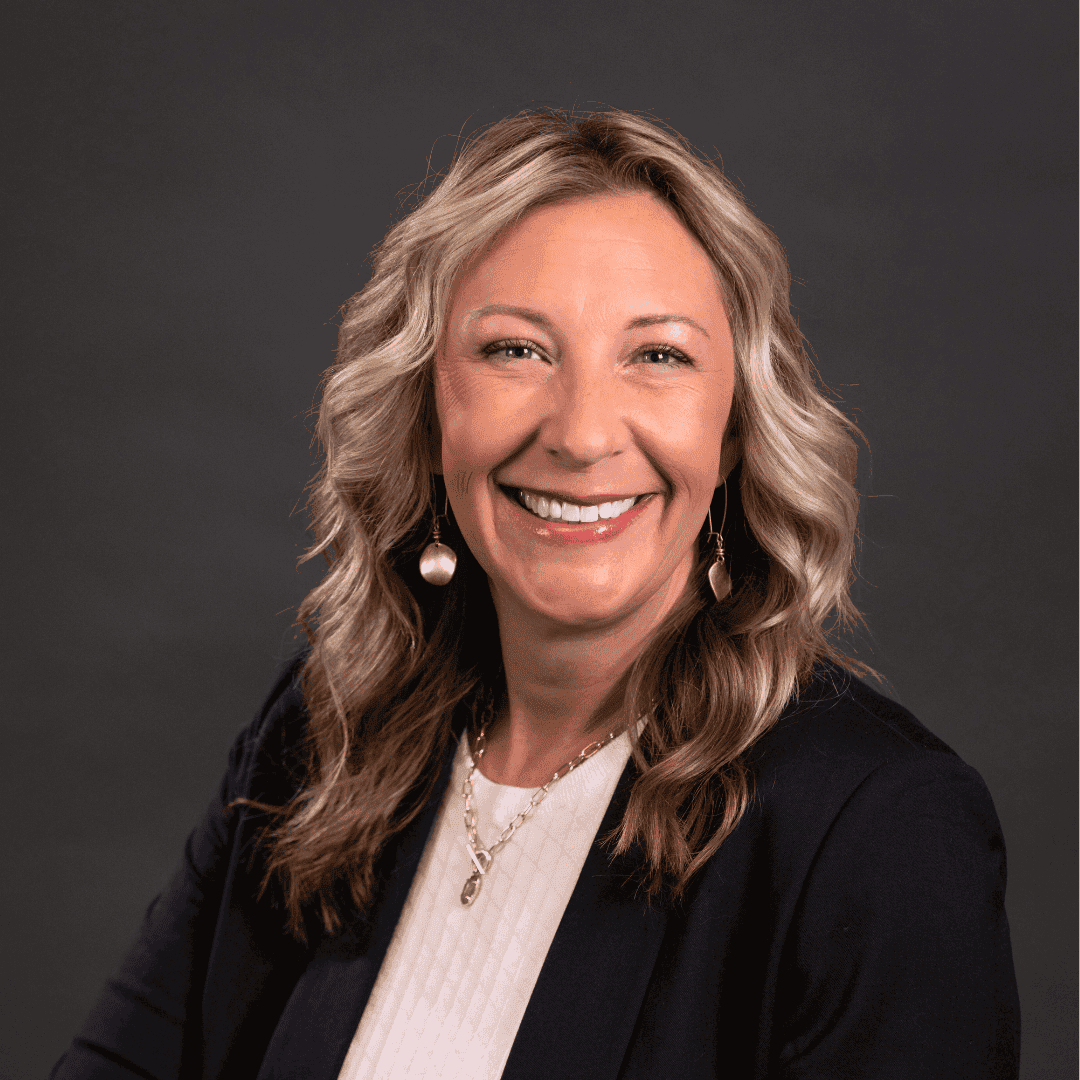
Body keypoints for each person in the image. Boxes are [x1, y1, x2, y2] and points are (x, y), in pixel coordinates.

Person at [52, 109, 1020, 1079]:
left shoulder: (883, 830)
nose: (583, 434)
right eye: (516, 350)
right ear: (429, 407)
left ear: (732, 431)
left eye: (658, 355)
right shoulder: (318, 742)